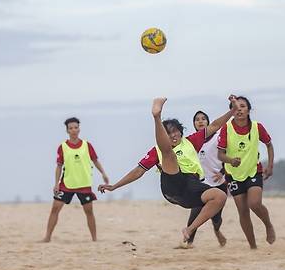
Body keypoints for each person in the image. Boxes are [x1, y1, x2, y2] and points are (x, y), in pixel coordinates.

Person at [99, 97, 237, 242]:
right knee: (169, 155)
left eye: (175, 132)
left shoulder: (191, 141)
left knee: (220, 196)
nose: (172, 135)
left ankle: (189, 230)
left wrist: (233, 111)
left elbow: (215, 126)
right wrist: (114, 186)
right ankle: (156, 117)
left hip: (191, 187)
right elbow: (138, 171)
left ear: (181, 132)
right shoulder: (157, 151)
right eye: (168, 133)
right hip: (171, 186)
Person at [217, 96, 275, 249]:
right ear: (232, 111)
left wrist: (270, 166)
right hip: (233, 175)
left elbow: (269, 145)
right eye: (236, 107)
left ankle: (268, 225)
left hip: (253, 171)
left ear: (249, 110)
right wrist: (230, 160)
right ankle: (253, 246)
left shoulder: (257, 127)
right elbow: (220, 155)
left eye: (243, 106)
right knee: (242, 211)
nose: (239, 109)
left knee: (254, 204)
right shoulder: (226, 128)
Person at [41, 117, 109, 242]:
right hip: (67, 184)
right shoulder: (62, 147)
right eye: (71, 128)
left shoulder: (87, 145)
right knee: (55, 209)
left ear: (79, 129)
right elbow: (59, 166)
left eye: (75, 127)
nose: (73, 130)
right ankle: (47, 237)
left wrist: (103, 173)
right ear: (67, 130)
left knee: (89, 211)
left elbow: (95, 160)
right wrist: (56, 183)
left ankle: (94, 239)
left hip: (84, 184)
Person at [185, 110, 227, 247]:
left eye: (203, 119)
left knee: (216, 218)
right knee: (195, 215)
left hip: (218, 184)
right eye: (197, 119)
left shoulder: (218, 138)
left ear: (208, 122)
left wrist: (223, 172)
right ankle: (187, 244)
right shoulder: (190, 143)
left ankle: (217, 230)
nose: (200, 121)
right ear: (194, 124)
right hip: (201, 185)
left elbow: (228, 156)